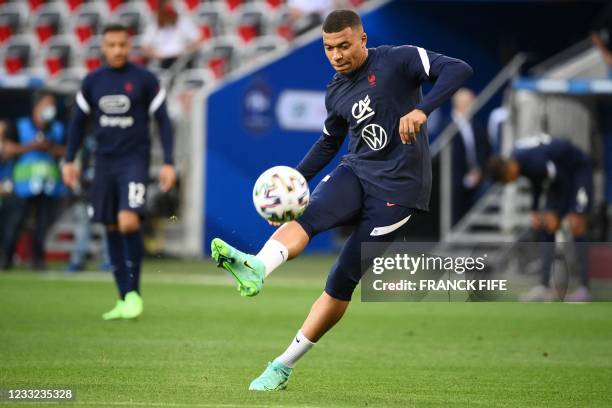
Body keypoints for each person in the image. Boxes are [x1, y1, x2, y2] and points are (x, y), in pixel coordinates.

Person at [211, 10, 472, 390]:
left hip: (399, 192)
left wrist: (422, 109)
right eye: (328, 48)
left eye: (344, 45)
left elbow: (459, 69)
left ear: (363, 39)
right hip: (357, 170)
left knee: (341, 280)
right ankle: (257, 268)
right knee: (305, 217)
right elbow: (330, 141)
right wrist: (295, 180)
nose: (336, 55)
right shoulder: (337, 90)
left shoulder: (399, 59)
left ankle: (283, 365)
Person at [63, 23, 176, 320]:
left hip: (133, 161)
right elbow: (77, 124)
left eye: (122, 45)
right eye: (111, 45)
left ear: (130, 46)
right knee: (111, 226)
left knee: (127, 222)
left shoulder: (144, 80)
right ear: (103, 46)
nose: (117, 50)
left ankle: (134, 292)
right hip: (103, 162)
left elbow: (163, 121)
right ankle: (123, 297)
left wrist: (168, 162)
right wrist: (69, 160)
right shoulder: (92, 82)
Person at [488, 135, 593, 302]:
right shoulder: (520, 162)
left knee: (576, 223)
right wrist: (535, 210)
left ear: (508, 168)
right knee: (545, 225)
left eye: (508, 179)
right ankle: (544, 286)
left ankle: (585, 288)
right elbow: (537, 181)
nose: (511, 182)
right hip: (559, 178)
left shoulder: (532, 161)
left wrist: (558, 214)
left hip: (577, 170)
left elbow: (563, 178)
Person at [1, 91, 66, 270]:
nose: (49, 109)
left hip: (48, 185)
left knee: (42, 225)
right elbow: (6, 148)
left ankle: (37, 260)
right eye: (46, 104)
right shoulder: (19, 125)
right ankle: (6, 258)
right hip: (22, 185)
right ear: (36, 107)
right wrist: (31, 146)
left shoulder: (58, 128)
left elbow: (68, 150)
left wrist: (50, 148)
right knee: (15, 222)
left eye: (52, 105)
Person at [450, 88, 491, 225]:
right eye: (471, 101)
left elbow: (484, 150)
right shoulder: (447, 127)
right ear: (461, 104)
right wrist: (463, 178)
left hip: (476, 178)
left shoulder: (477, 126)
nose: (475, 104)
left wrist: (478, 171)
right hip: (454, 181)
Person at [141, 1, 202, 70]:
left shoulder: (183, 21)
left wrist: (186, 52)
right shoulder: (154, 23)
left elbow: (198, 41)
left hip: (181, 61)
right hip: (161, 61)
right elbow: (144, 48)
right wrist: (155, 55)